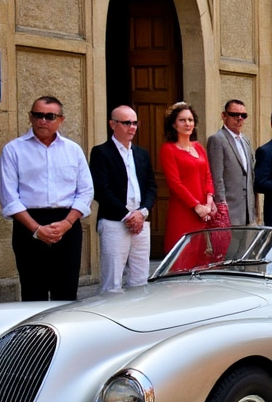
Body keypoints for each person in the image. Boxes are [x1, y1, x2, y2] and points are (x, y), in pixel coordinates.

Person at [0, 95, 94, 301]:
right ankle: (37, 334)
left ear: (61, 120)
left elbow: (86, 191)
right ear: (30, 117)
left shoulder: (73, 150)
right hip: (29, 225)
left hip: (67, 225)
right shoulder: (13, 150)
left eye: (49, 116)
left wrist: (67, 223)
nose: (43, 121)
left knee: (66, 292)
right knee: (33, 291)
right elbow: (9, 196)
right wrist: (36, 229)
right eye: (37, 115)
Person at [90, 105, 157, 293]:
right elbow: (101, 190)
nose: (132, 127)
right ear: (113, 124)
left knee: (140, 280)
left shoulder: (141, 153)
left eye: (135, 123)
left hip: (141, 221)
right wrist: (127, 216)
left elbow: (151, 186)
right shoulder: (101, 152)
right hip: (115, 222)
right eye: (127, 122)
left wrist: (142, 213)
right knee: (112, 283)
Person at [158, 102, 216, 253]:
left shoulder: (198, 147)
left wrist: (209, 203)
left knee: (201, 255)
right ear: (173, 124)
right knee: (182, 254)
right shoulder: (168, 150)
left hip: (204, 211)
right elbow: (175, 183)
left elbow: (208, 176)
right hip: (183, 210)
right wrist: (196, 206)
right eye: (182, 120)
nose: (187, 124)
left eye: (190, 120)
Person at [206, 99, 257, 226]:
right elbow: (217, 177)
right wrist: (221, 205)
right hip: (229, 210)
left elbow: (250, 175)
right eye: (234, 115)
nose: (239, 119)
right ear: (224, 116)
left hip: (247, 212)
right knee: (230, 246)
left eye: (243, 116)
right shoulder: (217, 139)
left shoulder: (246, 140)